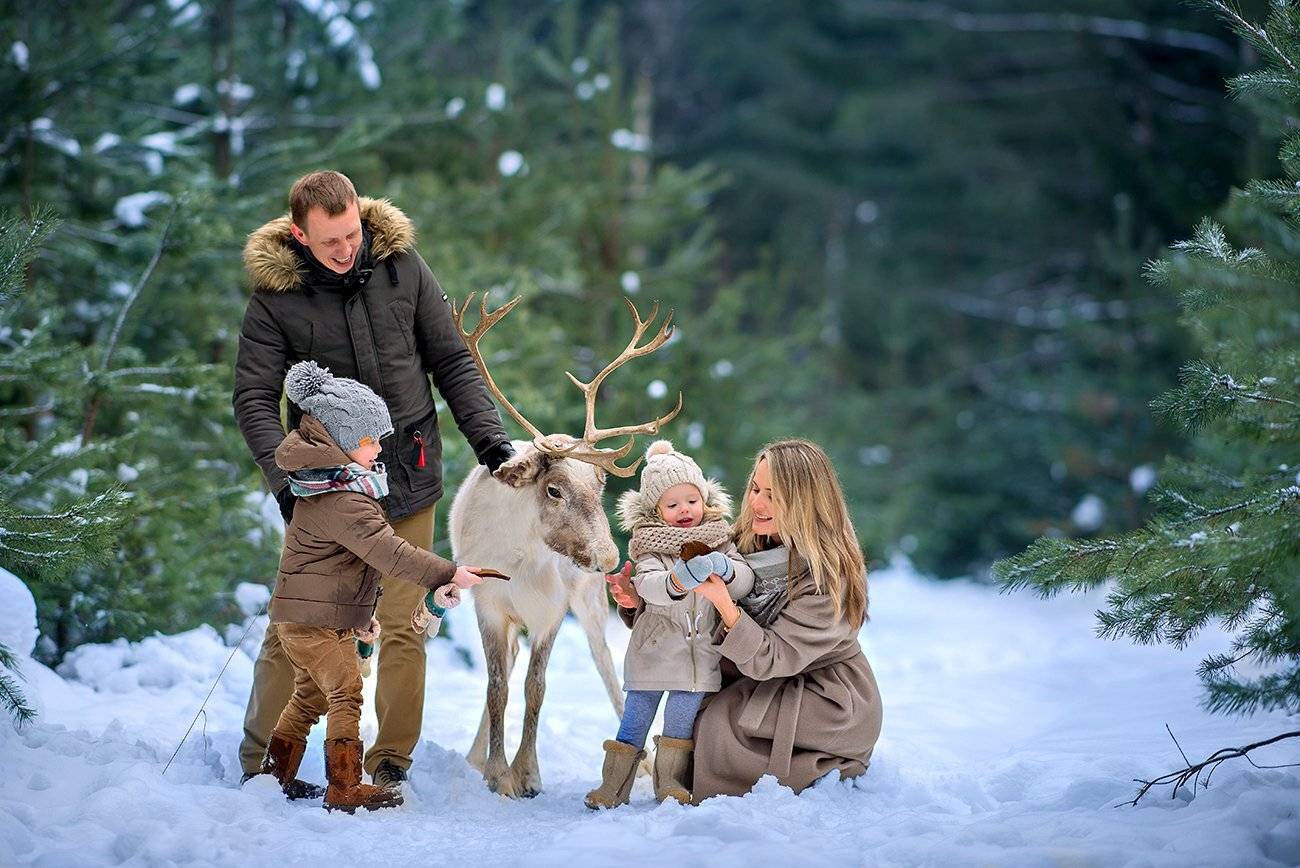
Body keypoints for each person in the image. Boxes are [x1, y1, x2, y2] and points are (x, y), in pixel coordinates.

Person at [234, 170, 515, 790]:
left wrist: (490, 443)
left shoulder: (403, 266)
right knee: (299, 624)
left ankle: (389, 762)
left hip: (407, 469)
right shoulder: (274, 299)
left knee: (403, 621)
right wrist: (287, 483)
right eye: (329, 240)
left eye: (353, 233)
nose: (346, 249)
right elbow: (253, 397)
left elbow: (451, 360)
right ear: (298, 234)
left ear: (362, 215)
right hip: (324, 490)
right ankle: (257, 762)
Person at [259, 361, 485, 812]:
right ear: (343, 442)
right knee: (346, 692)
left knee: (308, 696)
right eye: (370, 440)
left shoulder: (327, 486)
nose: (380, 446)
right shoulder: (343, 500)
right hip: (314, 621)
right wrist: (446, 572)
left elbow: (350, 570)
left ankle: (274, 776)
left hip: (311, 618)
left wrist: (360, 620)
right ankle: (344, 786)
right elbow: (389, 554)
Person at [607, 439, 882, 801]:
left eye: (773, 495)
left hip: (820, 694)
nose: (756, 503)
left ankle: (816, 762)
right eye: (755, 488)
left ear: (804, 502)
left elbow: (773, 658)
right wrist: (635, 601)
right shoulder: (738, 540)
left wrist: (725, 605)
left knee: (710, 731)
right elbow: (688, 601)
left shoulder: (830, 577)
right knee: (694, 712)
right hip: (754, 677)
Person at [585, 441, 754, 809]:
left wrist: (724, 568)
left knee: (679, 726)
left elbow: (744, 581)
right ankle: (612, 786)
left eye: (691, 501)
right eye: (672, 504)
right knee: (634, 723)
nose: (684, 511)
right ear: (656, 509)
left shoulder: (720, 541)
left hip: (699, 659)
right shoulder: (649, 546)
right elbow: (648, 585)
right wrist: (677, 580)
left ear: (704, 499)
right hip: (654, 653)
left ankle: (671, 783)